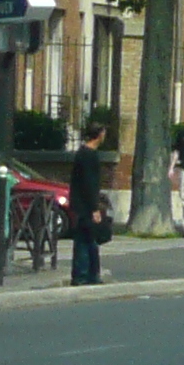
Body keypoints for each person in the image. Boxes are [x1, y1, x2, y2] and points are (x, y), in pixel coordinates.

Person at [67, 122, 109, 285]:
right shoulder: (88, 155)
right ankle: (83, 275)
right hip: (85, 206)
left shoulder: (83, 153)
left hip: (80, 204)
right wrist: (94, 208)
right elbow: (89, 183)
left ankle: (89, 274)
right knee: (86, 240)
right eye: (103, 132)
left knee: (88, 239)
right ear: (99, 134)